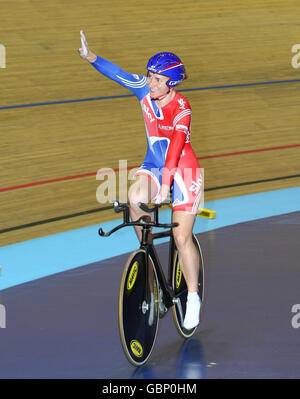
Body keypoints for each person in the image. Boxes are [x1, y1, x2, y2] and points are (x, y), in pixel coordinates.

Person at [79, 31, 203, 329]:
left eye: (158, 79)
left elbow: (174, 148)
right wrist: (92, 57)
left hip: (183, 170)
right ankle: (148, 262)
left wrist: (165, 187)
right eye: (149, 75)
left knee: (181, 236)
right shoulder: (144, 90)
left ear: (171, 83)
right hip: (153, 165)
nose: (150, 82)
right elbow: (119, 74)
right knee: (134, 201)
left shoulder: (182, 108)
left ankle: (194, 297)